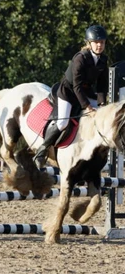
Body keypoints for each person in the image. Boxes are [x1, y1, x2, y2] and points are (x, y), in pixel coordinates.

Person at [34, 25, 108, 168]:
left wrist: (102, 105)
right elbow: (77, 86)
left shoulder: (103, 60)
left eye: (102, 42)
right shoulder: (80, 59)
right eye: (96, 42)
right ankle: (42, 149)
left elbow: (102, 86)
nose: (99, 45)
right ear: (89, 43)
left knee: (101, 118)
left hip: (85, 92)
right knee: (62, 123)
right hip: (68, 92)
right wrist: (87, 107)